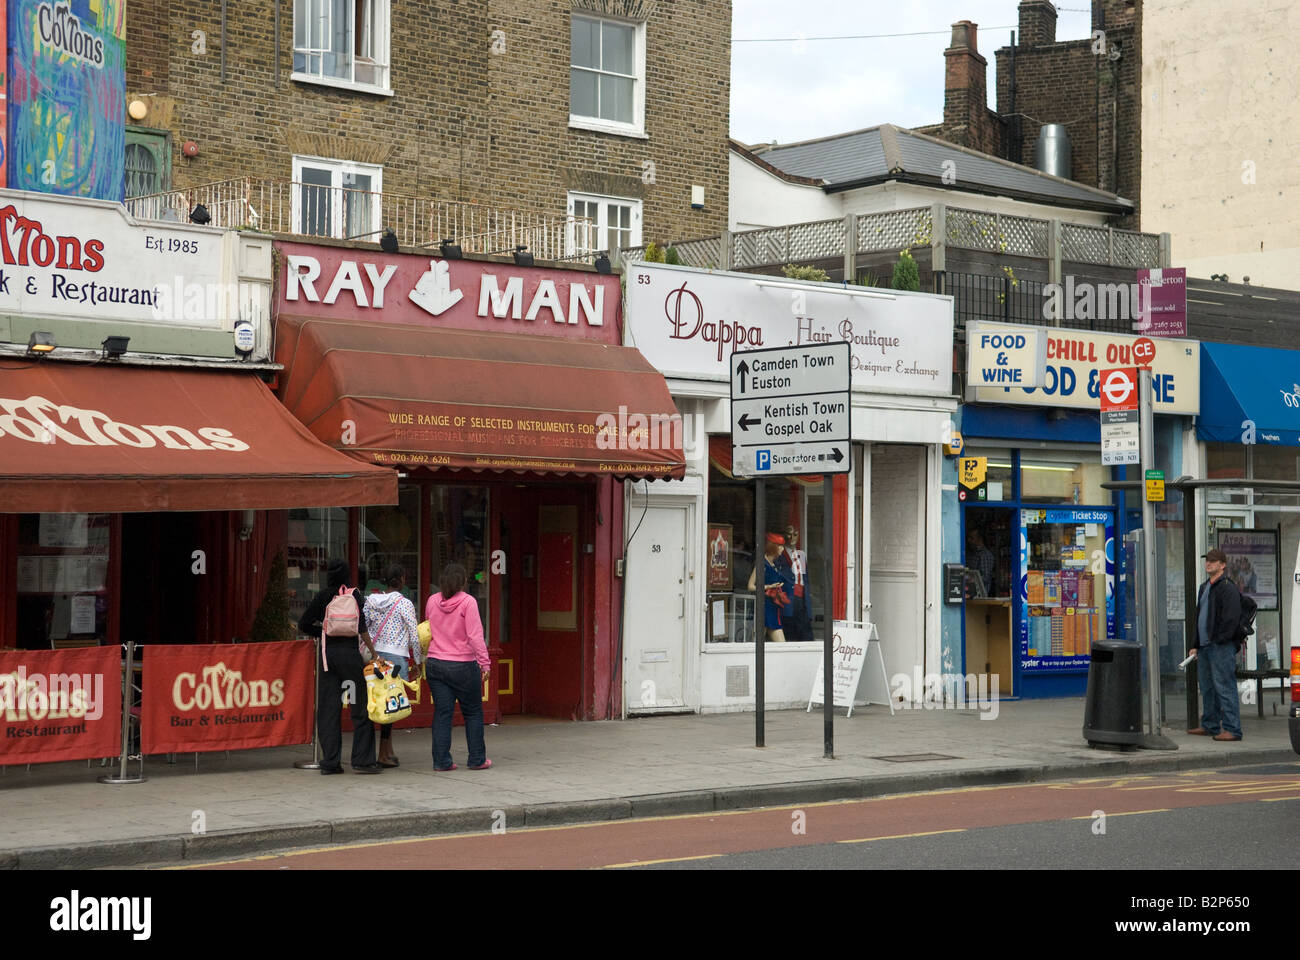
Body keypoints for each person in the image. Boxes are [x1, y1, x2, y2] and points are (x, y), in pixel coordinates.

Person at [297, 559, 382, 775]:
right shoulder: (354, 595)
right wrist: (373, 653)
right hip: (351, 660)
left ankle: (331, 763)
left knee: (329, 710)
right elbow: (362, 628)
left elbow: (303, 624)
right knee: (359, 706)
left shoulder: (323, 596)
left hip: (329, 660)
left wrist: (324, 633)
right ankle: (362, 761)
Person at [424, 562, 492, 771]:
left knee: (442, 713)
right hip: (462, 665)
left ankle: (441, 761)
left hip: (435, 663)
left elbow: (427, 630)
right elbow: (475, 636)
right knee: (472, 712)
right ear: (463, 581)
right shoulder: (468, 602)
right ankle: (476, 759)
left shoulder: (432, 601)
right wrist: (485, 663)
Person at [363, 564, 423, 767]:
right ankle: (383, 753)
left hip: (375, 657)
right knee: (391, 705)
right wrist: (419, 661)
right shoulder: (404, 603)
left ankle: (384, 751)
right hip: (396, 658)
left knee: (376, 703)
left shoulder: (370, 601)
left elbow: (364, 627)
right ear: (403, 579)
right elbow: (414, 635)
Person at [1188, 548, 1244, 742]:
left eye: (1213, 561)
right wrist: (1195, 644)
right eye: (1207, 560)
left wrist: (1220, 639)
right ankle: (1210, 725)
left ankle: (1232, 729)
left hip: (1220, 646)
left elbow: (1231, 618)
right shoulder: (1204, 587)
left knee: (1224, 687)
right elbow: (1199, 618)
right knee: (1207, 687)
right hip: (1204, 647)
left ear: (1223, 565)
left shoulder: (1227, 587)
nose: (1208, 564)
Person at [747, 532, 794, 642]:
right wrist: (769, 587)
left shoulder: (775, 563)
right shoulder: (762, 564)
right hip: (763, 607)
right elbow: (750, 586)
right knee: (756, 644)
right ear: (773, 547)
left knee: (780, 645)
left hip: (773, 607)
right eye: (780, 546)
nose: (782, 549)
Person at [778, 525, 813, 641]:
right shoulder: (780, 555)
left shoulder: (801, 555)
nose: (792, 537)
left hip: (802, 599)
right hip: (788, 598)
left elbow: (805, 578)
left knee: (806, 635)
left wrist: (808, 600)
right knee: (790, 635)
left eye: (795, 534)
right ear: (784, 536)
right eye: (789, 534)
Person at [967, 528, 997, 597]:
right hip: (970, 594)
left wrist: (970, 580)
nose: (969, 540)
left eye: (972, 538)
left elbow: (985, 577)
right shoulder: (972, 553)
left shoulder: (985, 555)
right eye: (968, 538)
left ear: (979, 539)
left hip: (980, 597)